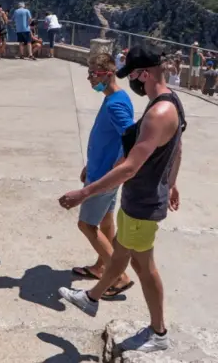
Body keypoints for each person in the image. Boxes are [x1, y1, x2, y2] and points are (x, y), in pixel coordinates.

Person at [58, 45, 186, 355]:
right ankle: (91, 299)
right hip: (143, 200)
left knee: (144, 268)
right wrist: (171, 184)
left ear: (144, 74)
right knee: (120, 255)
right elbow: (178, 148)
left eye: (133, 76)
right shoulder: (170, 103)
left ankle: (157, 333)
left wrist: (85, 193)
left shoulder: (158, 112)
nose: (132, 83)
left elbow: (130, 166)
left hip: (142, 203)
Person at [71, 54, 134, 298]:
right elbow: (112, 139)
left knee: (86, 225)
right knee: (106, 222)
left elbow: (131, 139)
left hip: (103, 178)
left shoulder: (115, 103)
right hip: (102, 172)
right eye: (88, 74)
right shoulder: (116, 97)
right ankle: (100, 267)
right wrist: (91, 164)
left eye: (94, 75)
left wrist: (113, 172)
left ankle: (119, 276)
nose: (89, 79)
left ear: (109, 74)